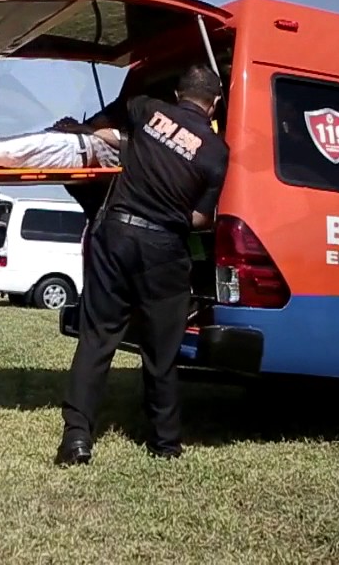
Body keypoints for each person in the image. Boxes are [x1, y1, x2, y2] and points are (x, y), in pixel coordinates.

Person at [55, 64, 229, 466]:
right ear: (215, 104)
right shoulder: (218, 152)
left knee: (98, 338)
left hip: (116, 235)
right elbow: (201, 218)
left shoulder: (148, 109)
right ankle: (165, 444)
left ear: (177, 93)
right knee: (161, 351)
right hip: (164, 249)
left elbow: (114, 126)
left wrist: (81, 131)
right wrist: (172, 213)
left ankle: (77, 438)